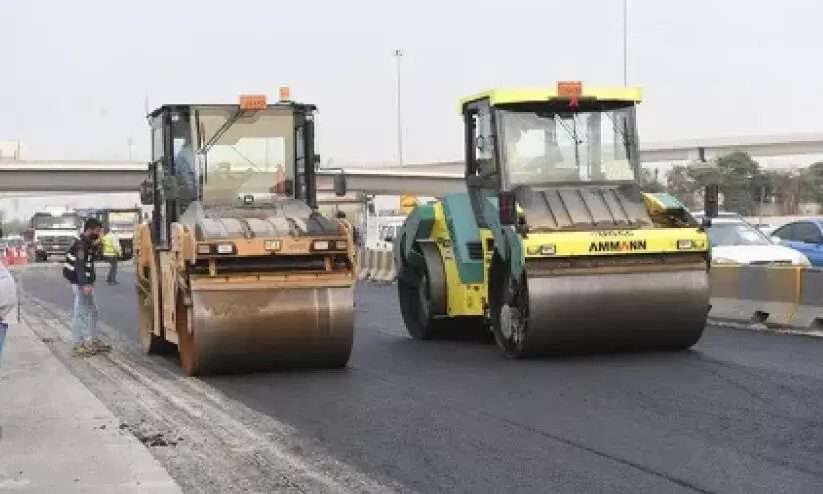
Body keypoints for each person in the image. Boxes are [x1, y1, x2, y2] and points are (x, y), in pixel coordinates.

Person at [62, 217, 112, 357]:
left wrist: (98, 243)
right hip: (80, 283)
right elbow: (80, 266)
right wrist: (85, 284)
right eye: (97, 231)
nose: (99, 234)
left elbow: (90, 253)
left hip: (84, 282)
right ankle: (77, 345)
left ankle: (93, 340)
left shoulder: (86, 244)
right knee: (81, 313)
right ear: (90, 230)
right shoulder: (81, 246)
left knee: (93, 311)